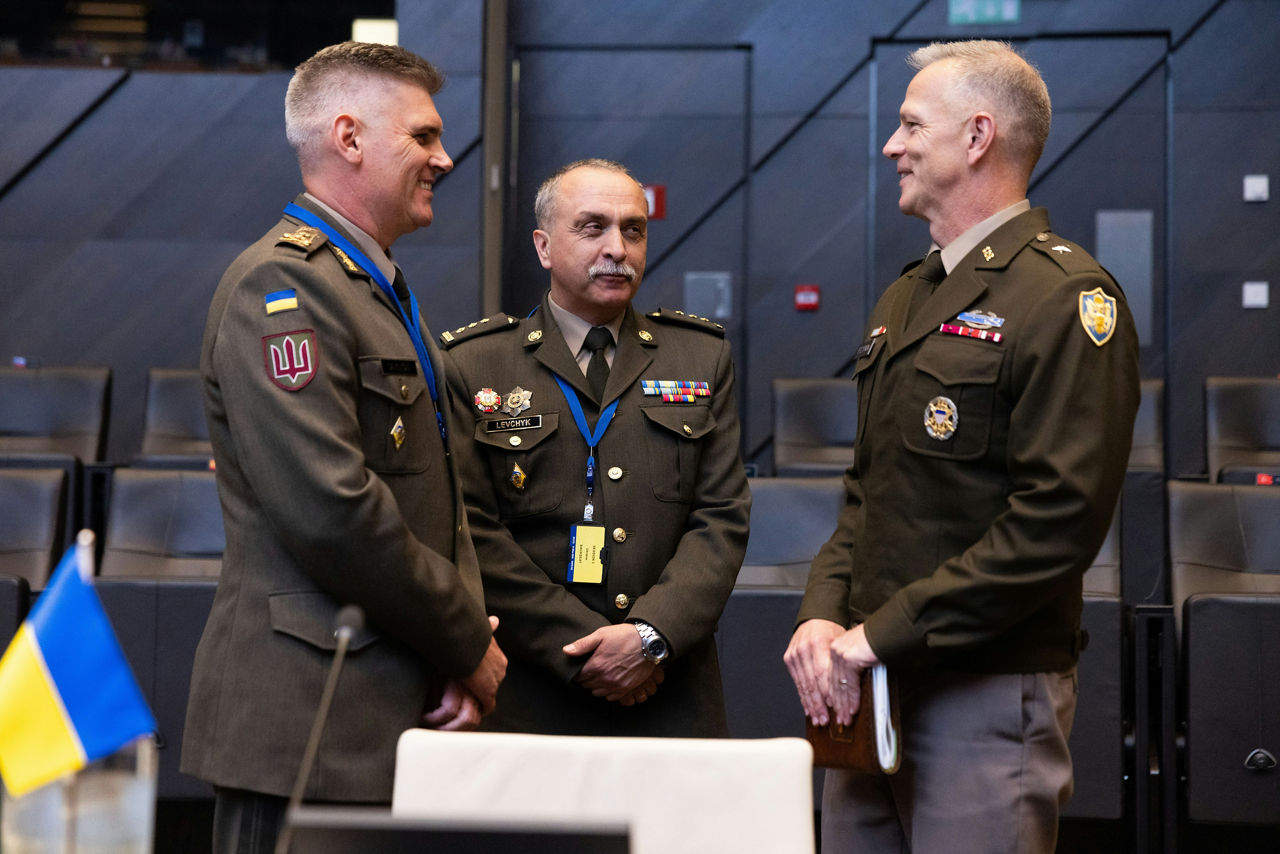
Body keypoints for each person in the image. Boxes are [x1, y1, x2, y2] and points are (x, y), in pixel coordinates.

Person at [784, 40, 1140, 854]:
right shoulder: (910, 293)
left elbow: (1056, 524)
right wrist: (821, 615)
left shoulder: (1066, 297)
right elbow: (867, 494)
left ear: (977, 137)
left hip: (983, 691)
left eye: (911, 124)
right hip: (870, 688)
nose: (892, 144)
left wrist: (883, 631)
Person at [180, 41, 506, 854]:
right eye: (424, 137)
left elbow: (439, 500)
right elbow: (334, 510)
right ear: (351, 139)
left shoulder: (374, 289)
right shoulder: (281, 290)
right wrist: (466, 639)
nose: (445, 157)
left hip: (380, 716)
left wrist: (452, 652)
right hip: (304, 731)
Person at [440, 159, 751, 737]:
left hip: (669, 688)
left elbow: (722, 518)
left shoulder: (699, 358)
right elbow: (470, 530)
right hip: (534, 692)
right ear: (544, 246)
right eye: (592, 227)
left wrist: (649, 637)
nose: (618, 248)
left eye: (634, 230)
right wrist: (580, 650)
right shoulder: (474, 363)